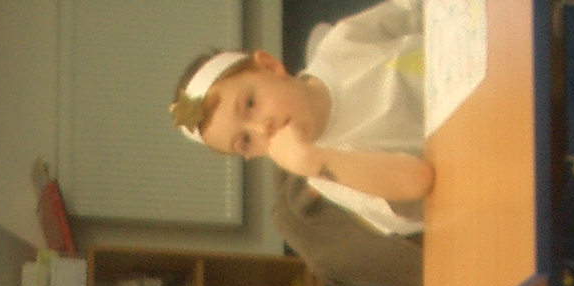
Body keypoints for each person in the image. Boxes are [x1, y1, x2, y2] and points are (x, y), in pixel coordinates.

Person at [171, 1, 432, 238]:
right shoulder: (324, 172)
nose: (262, 129)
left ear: (270, 66)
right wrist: (314, 161)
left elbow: (421, 11)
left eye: (250, 104)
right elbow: (421, 185)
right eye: (245, 140)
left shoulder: (344, 43)